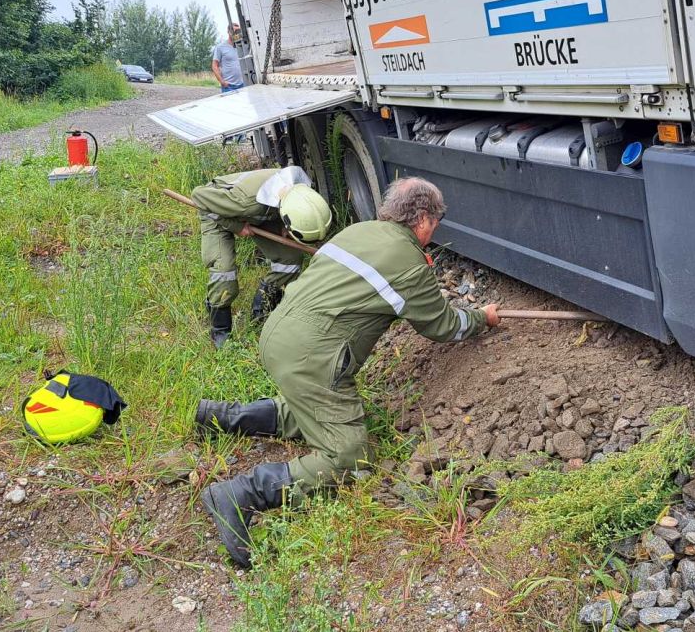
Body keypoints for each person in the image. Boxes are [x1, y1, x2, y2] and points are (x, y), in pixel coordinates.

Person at [197, 177, 501, 566]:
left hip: (277, 336)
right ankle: (242, 494)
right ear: (423, 218)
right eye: (437, 221)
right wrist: (481, 318)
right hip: (311, 358)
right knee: (348, 455)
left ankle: (223, 417)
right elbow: (441, 326)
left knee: (315, 408)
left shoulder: (358, 231)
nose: (435, 229)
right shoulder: (408, 263)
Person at [190, 166, 331, 348]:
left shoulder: (301, 195)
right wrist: (235, 226)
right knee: (224, 273)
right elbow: (198, 196)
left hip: (262, 213)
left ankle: (262, 310)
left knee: (290, 261)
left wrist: (283, 226)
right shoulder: (244, 202)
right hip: (218, 212)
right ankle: (220, 328)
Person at [212, 23, 245, 93]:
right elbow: (214, 66)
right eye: (233, 30)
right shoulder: (220, 47)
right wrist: (222, 81)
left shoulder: (242, 46)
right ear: (228, 31)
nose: (236, 33)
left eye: (238, 31)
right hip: (229, 86)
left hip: (243, 85)